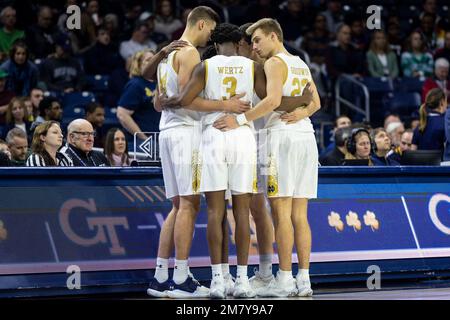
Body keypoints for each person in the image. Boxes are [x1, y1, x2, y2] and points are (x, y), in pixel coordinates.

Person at [213, 18, 321, 297]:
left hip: (280, 138)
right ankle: (304, 280)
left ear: (274, 36)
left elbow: (272, 101)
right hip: (306, 137)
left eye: (258, 40)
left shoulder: (274, 63)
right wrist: (302, 112)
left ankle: (284, 280)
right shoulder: (301, 61)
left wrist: (240, 119)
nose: (255, 46)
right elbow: (316, 102)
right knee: (300, 214)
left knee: (281, 212)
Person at [145, 6, 224, 299]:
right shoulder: (190, 53)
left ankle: (160, 276)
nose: (211, 37)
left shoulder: (167, 54)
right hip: (185, 134)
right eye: (211, 31)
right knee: (190, 204)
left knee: (178, 206)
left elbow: (158, 103)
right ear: (201, 24)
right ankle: (180, 278)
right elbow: (187, 101)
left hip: (167, 131)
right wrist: (224, 105)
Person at [116, 49, 159, 143]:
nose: (152, 62)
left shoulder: (159, 83)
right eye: (148, 60)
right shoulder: (136, 84)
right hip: (142, 143)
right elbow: (122, 114)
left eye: (154, 59)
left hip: (158, 138)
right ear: (138, 65)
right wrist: (144, 138)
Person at [412, 87, 447, 154]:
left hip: (420, 164)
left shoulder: (420, 125)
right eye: (446, 101)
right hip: (440, 164)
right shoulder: (445, 123)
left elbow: (413, 152)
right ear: (441, 103)